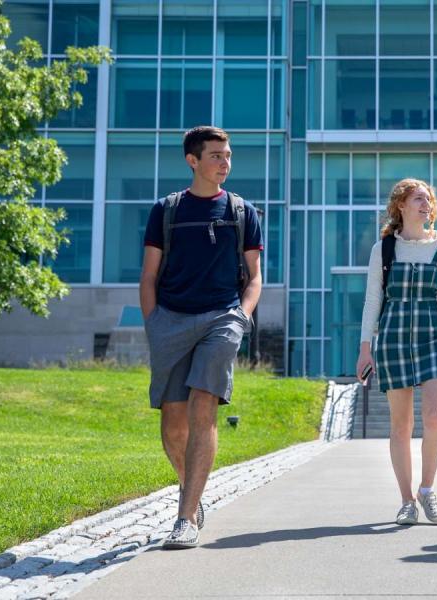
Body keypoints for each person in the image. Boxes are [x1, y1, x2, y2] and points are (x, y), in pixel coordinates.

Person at [139, 126, 263, 549]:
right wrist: (153, 321)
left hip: (220, 318)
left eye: (227, 155)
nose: (224, 163)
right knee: (173, 424)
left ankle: (185, 518)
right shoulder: (166, 210)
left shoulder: (243, 212)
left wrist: (241, 317)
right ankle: (191, 489)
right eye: (215, 156)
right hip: (170, 320)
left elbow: (255, 276)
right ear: (193, 160)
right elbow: (149, 275)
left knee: (203, 408)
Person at [356, 178, 437, 526]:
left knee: (435, 416)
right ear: (401, 206)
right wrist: (366, 348)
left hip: (433, 334)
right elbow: (372, 301)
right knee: (401, 424)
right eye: (418, 199)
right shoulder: (384, 250)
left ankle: (427, 490)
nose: (426, 204)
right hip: (392, 335)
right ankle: (406, 500)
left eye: (429, 199)